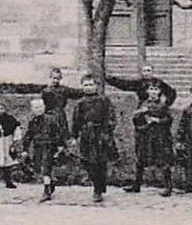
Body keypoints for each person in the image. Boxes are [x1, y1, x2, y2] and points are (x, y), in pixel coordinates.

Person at [70, 73, 119, 203]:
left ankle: (98, 189)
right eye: (85, 85)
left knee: (100, 162)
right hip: (86, 135)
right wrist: (74, 136)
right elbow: (76, 121)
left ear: (96, 86)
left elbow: (111, 117)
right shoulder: (80, 103)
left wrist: (107, 132)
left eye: (91, 85)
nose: (88, 87)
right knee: (87, 161)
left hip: (101, 135)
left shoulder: (103, 100)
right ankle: (97, 183)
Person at [125, 86, 175, 196]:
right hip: (145, 136)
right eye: (151, 89)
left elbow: (169, 119)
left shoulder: (163, 105)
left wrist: (157, 120)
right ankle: (136, 185)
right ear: (147, 91)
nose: (153, 92)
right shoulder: (142, 104)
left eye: (156, 89)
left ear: (159, 92)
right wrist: (139, 114)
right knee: (140, 160)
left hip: (159, 137)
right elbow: (135, 120)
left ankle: (168, 187)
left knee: (162, 161)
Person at [23, 94, 69, 202]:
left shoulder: (51, 120)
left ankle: (46, 191)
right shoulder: (32, 122)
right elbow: (28, 136)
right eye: (36, 107)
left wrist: (60, 146)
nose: (38, 109)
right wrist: (25, 149)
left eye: (40, 107)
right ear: (32, 109)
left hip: (49, 147)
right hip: (37, 147)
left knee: (46, 168)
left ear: (44, 107)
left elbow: (58, 133)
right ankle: (51, 182)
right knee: (38, 168)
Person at [106, 64, 177, 109]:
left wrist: (165, 104)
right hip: (143, 106)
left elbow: (171, 92)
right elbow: (125, 85)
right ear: (142, 72)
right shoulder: (139, 83)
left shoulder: (159, 83)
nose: (146, 73)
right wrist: (111, 80)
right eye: (144, 71)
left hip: (157, 106)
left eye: (148, 70)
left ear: (152, 72)